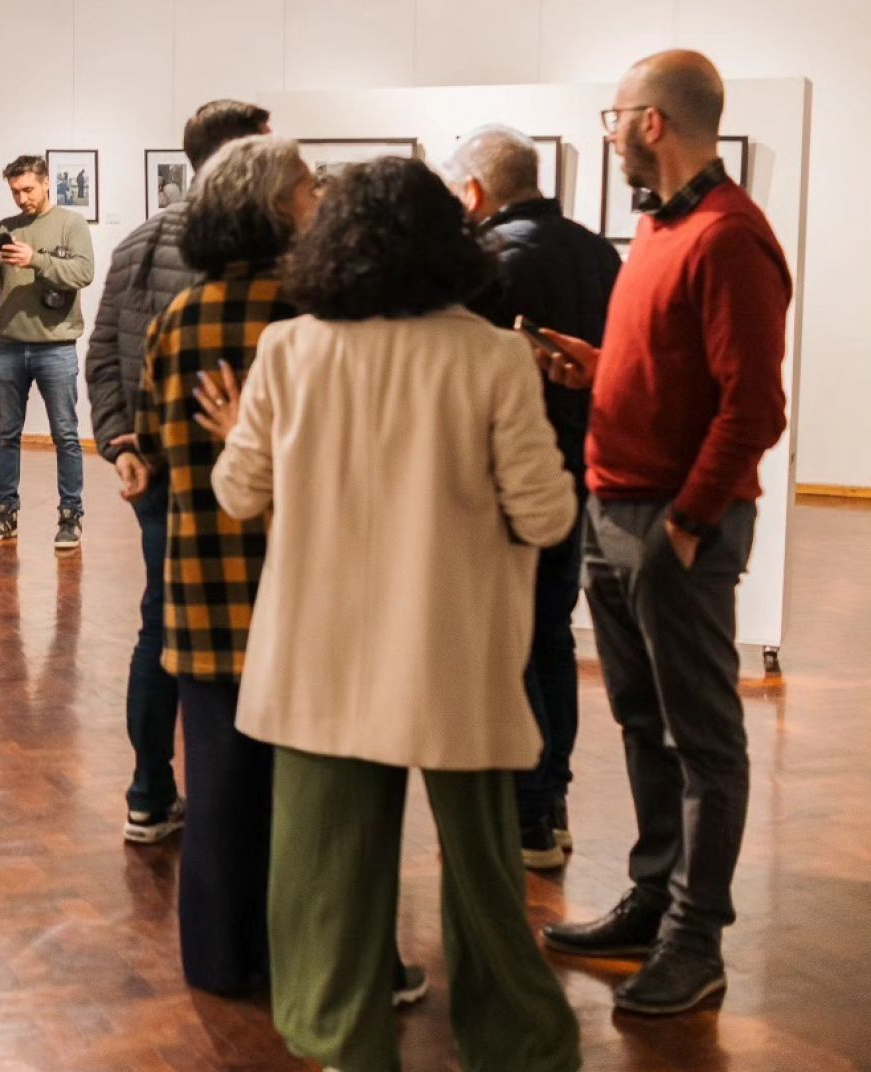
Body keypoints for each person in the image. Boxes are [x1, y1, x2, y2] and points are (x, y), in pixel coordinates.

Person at [207, 157, 581, 1072]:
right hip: (453, 651)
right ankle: (518, 1043)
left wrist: (247, 435)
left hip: (318, 656)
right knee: (487, 873)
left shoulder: (292, 349)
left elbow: (238, 494)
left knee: (326, 878)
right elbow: (545, 515)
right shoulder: (492, 356)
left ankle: (345, 1041)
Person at [536, 50, 791, 1017]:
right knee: (642, 722)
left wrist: (688, 521)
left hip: (672, 524)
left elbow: (754, 407)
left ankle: (696, 939)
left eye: (614, 117)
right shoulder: (656, 226)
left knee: (703, 738)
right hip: (616, 512)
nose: (608, 134)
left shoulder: (730, 236)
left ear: (652, 123)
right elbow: (677, 371)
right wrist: (600, 366)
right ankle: (654, 898)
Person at [134, 134, 309, 995]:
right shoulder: (307, 315)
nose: (318, 199)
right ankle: (287, 956)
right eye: (307, 187)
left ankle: (214, 959)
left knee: (215, 782)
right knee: (295, 791)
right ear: (275, 207)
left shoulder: (181, 315)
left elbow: (152, 440)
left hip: (202, 576)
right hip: (294, 581)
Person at [88, 98, 271, 846]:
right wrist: (123, 444)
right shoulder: (252, 251)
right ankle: (234, 804)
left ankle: (150, 791)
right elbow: (108, 352)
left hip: (160, 469)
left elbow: (102, 356)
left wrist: (121, 444)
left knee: (162, 622)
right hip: (230, 471)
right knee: (235, 633)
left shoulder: (140, 240)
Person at [442, 126, 622, 871]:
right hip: (578, 466)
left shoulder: (490, 261)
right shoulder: (598, 252)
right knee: (551, 635)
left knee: (511, 641)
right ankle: (553, 805)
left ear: (474, 191)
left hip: (506, 478)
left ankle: (527, 812)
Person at [0, 155, 94, 550]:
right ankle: (5, 513)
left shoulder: (71, 223)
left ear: (46, 183)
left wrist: (36, 260)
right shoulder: (5, 227)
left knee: (66, 434)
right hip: (9, 346)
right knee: (6, 434)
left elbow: (84, 272)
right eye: (15, 192)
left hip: (57, 346)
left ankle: (70, 516)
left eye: (28, 189)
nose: (22, 198)